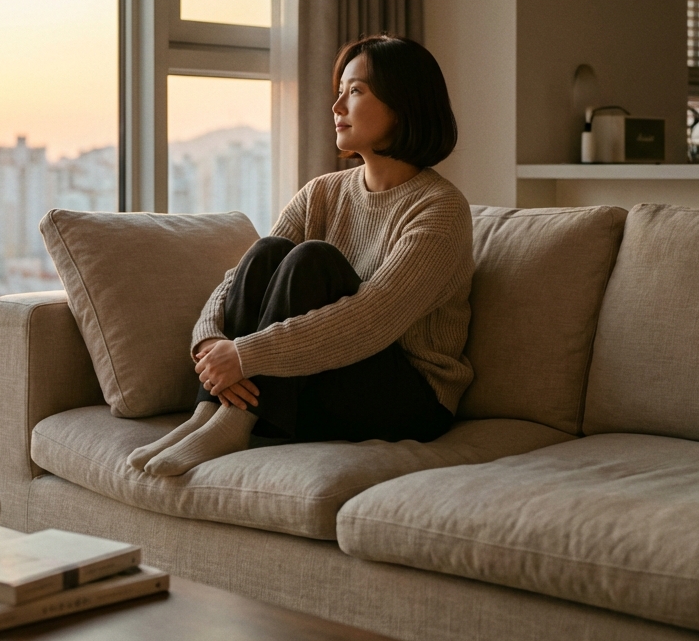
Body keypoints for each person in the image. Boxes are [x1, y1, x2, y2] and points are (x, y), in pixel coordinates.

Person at [129, 34, 475, 476]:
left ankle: (235, 422)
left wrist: (245, 356)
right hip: (324, 375)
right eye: (339, 92)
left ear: (403, 103)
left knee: (313, 259)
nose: (337, 107)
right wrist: (212, 341)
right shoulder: (323, 192)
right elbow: (238, 279)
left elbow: (373, 319)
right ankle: (207, 416)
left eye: (356, 91)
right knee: (271, 250)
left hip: (410, 397)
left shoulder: (440, 208)